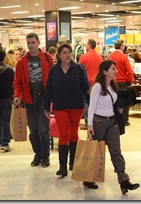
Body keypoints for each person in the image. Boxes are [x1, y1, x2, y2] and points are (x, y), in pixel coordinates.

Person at [84, 59, 140, 194]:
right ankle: (88, 178)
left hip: (112, 122)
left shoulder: (113, 86)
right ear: (104, 71)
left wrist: (118, 109)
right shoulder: (97, 86)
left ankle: (123, 180)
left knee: (116, 151)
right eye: (113, 69)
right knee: (96, 151)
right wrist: (89, 124)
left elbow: (112, 102)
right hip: (98, 122)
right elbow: (91, 106)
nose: (116, 71)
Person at [44, 43, 89, 177]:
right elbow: (49, 90)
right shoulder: (54, 70)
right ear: (59, 55)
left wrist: (91, 105)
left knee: (74, 134)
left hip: (76, 106)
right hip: (60, 107)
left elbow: (85, 88)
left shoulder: (79, 68)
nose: (67, 55)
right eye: (64, 52)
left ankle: (72, 163)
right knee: (63, 135)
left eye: (69, 52)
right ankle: (62, 166)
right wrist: (47, 107)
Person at [13, 33, 54, 167]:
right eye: (28, 43)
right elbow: (17, 81)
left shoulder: (47, 58)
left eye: (33, 42)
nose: (30, 45)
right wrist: (17, 95)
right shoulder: (21, 62)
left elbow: (53, 79)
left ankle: (45, 156)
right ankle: (38, 154)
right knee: (34, 129)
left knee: (43, 128)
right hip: (29, 99)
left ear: (38, 42)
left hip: (44, 98)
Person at [107, 39, 134, 126]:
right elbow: (129, 70)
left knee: (113, 100)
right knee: (124, 101)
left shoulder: (109, 56)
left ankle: (114, 116)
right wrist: (131, 80)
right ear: (121, 46)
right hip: (123, 82)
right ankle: (124, 119)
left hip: (112, 82)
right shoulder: (123, 57)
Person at [79, 39, 103, 130]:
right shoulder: (100, 57)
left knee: (86, 103)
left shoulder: (83, 57)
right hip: (97, 83)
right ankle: (96, 120)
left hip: (87, 83)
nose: (85, 46)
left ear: (89, 45)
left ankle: (88, 122)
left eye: (86, 44)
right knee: (96, 103)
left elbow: (79, 70)